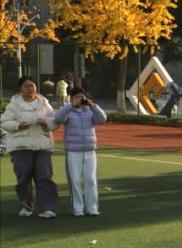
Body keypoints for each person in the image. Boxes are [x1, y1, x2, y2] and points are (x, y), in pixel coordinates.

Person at [1, 76, 58, 217]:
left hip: (43, 145)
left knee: (45, 177)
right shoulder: (14, 105)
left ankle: (46, 208)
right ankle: (26, 207)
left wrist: (46, 122)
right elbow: (4, 122)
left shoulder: (44, 103)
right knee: (23, 178)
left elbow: (55, 121)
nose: (29, 88)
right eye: (26, 86)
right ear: (20, 89)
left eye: (32, 85)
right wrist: (18, 125)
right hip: (21, 146)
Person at [53, 86, 106, 216]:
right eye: (77, 97)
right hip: (73, 151)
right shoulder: (68, 110)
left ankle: (92, 208)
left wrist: (93, 106)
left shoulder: (90, 110)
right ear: (71, 98)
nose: (80, 99)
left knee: (91, 180)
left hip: (90, 150)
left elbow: (102, 119)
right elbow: (58, 119)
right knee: (75, 180)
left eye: (82, 97)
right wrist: (70, 106)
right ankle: (78, 209)